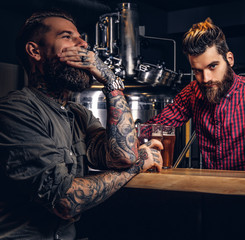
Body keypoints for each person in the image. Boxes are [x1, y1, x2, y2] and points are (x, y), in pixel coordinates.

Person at [0, 9, 163, 240]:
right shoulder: (16, 111)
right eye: (67, 36)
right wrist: (137, 167)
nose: (84, 44)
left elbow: (124, 156)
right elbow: (64, 201)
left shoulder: (78, 114)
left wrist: (110, 81)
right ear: (34, 51)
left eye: (81, 37)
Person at [147, 18, 245, 172]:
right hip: (209, 189)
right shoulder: (192, 91)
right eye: (197, 71)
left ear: (229, 59)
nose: (206, 79)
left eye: (212, 66)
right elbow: (154, 126)